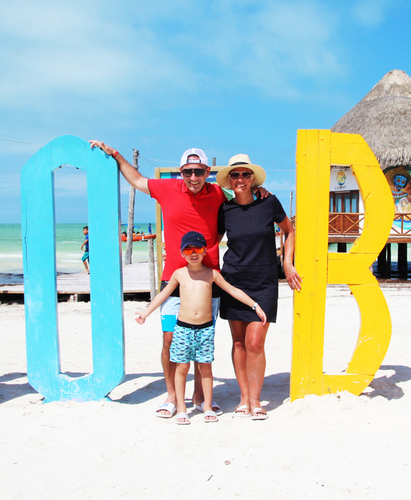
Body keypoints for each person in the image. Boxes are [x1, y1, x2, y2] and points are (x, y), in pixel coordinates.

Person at [87, 141, 259, 417]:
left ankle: (200, 397)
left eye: (199, 171)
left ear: (207, 172)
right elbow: (137, 179)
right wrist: (116, 155)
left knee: (203, 342)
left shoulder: (218, 193)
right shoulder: (166, 188)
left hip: (207, 281)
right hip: (173, 280)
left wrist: (261, 192)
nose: (193, 177)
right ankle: (170, 397)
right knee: (170, 340)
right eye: (188, 171)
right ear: (181, 171)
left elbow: (243, 196)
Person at [135, 231, 266, 425]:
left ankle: (205, 406)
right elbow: (163, 296)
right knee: (182, 368)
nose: (193, 253)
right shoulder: (179, 274)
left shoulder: (212, 275)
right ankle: (181, 408)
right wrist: (145, 313)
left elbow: (233, 290)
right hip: (182, 328)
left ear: (205, 252)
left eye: (198, 249)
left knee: (205, 368)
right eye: (188, 249)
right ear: (181, 253)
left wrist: (255, 306)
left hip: (205, 329)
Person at [216, 154, 301, 420]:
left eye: (245, 174)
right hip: (233, 282)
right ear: (229, 181)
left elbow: (290, 231)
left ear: (253, 179)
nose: (240, 179)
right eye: (235, 175)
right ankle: (244, 399)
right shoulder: (225, 209)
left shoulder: (269, 202)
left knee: (255, 342)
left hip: (264, 282)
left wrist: (287, 263)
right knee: (239, 342)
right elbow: (212, 241)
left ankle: (256, 399)